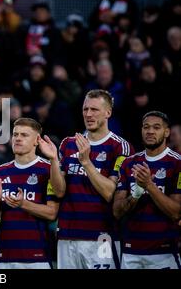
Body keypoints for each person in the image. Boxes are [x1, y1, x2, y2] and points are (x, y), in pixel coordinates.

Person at [52, 89, 134, 269]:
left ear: (108, 113)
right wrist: (52, 160)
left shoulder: (120, 147)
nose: (88, 114)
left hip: (102, 235)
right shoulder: (67, 144)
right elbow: (59, 191)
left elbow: (109, 192)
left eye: (94, 110)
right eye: (85, 109)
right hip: (67, 235)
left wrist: (86, 162)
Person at [0, 118, 63, 269]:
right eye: (15, 135)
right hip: (5, 258)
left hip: (37, 258)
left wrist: (23, 204)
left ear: (36, 140)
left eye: (24, 135)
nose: (18, 138)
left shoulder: (48, 169)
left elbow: (52, 213)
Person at [113, 111, 181, 269]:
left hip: (164, 253)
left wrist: (149, 185)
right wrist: (136, 194)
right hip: (131, 252)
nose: (150, 131)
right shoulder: (129, 164)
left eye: (156, 127)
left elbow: (176, 212)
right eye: (146, 127)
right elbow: (117, 211)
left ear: (166, 132)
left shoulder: (177, 164)